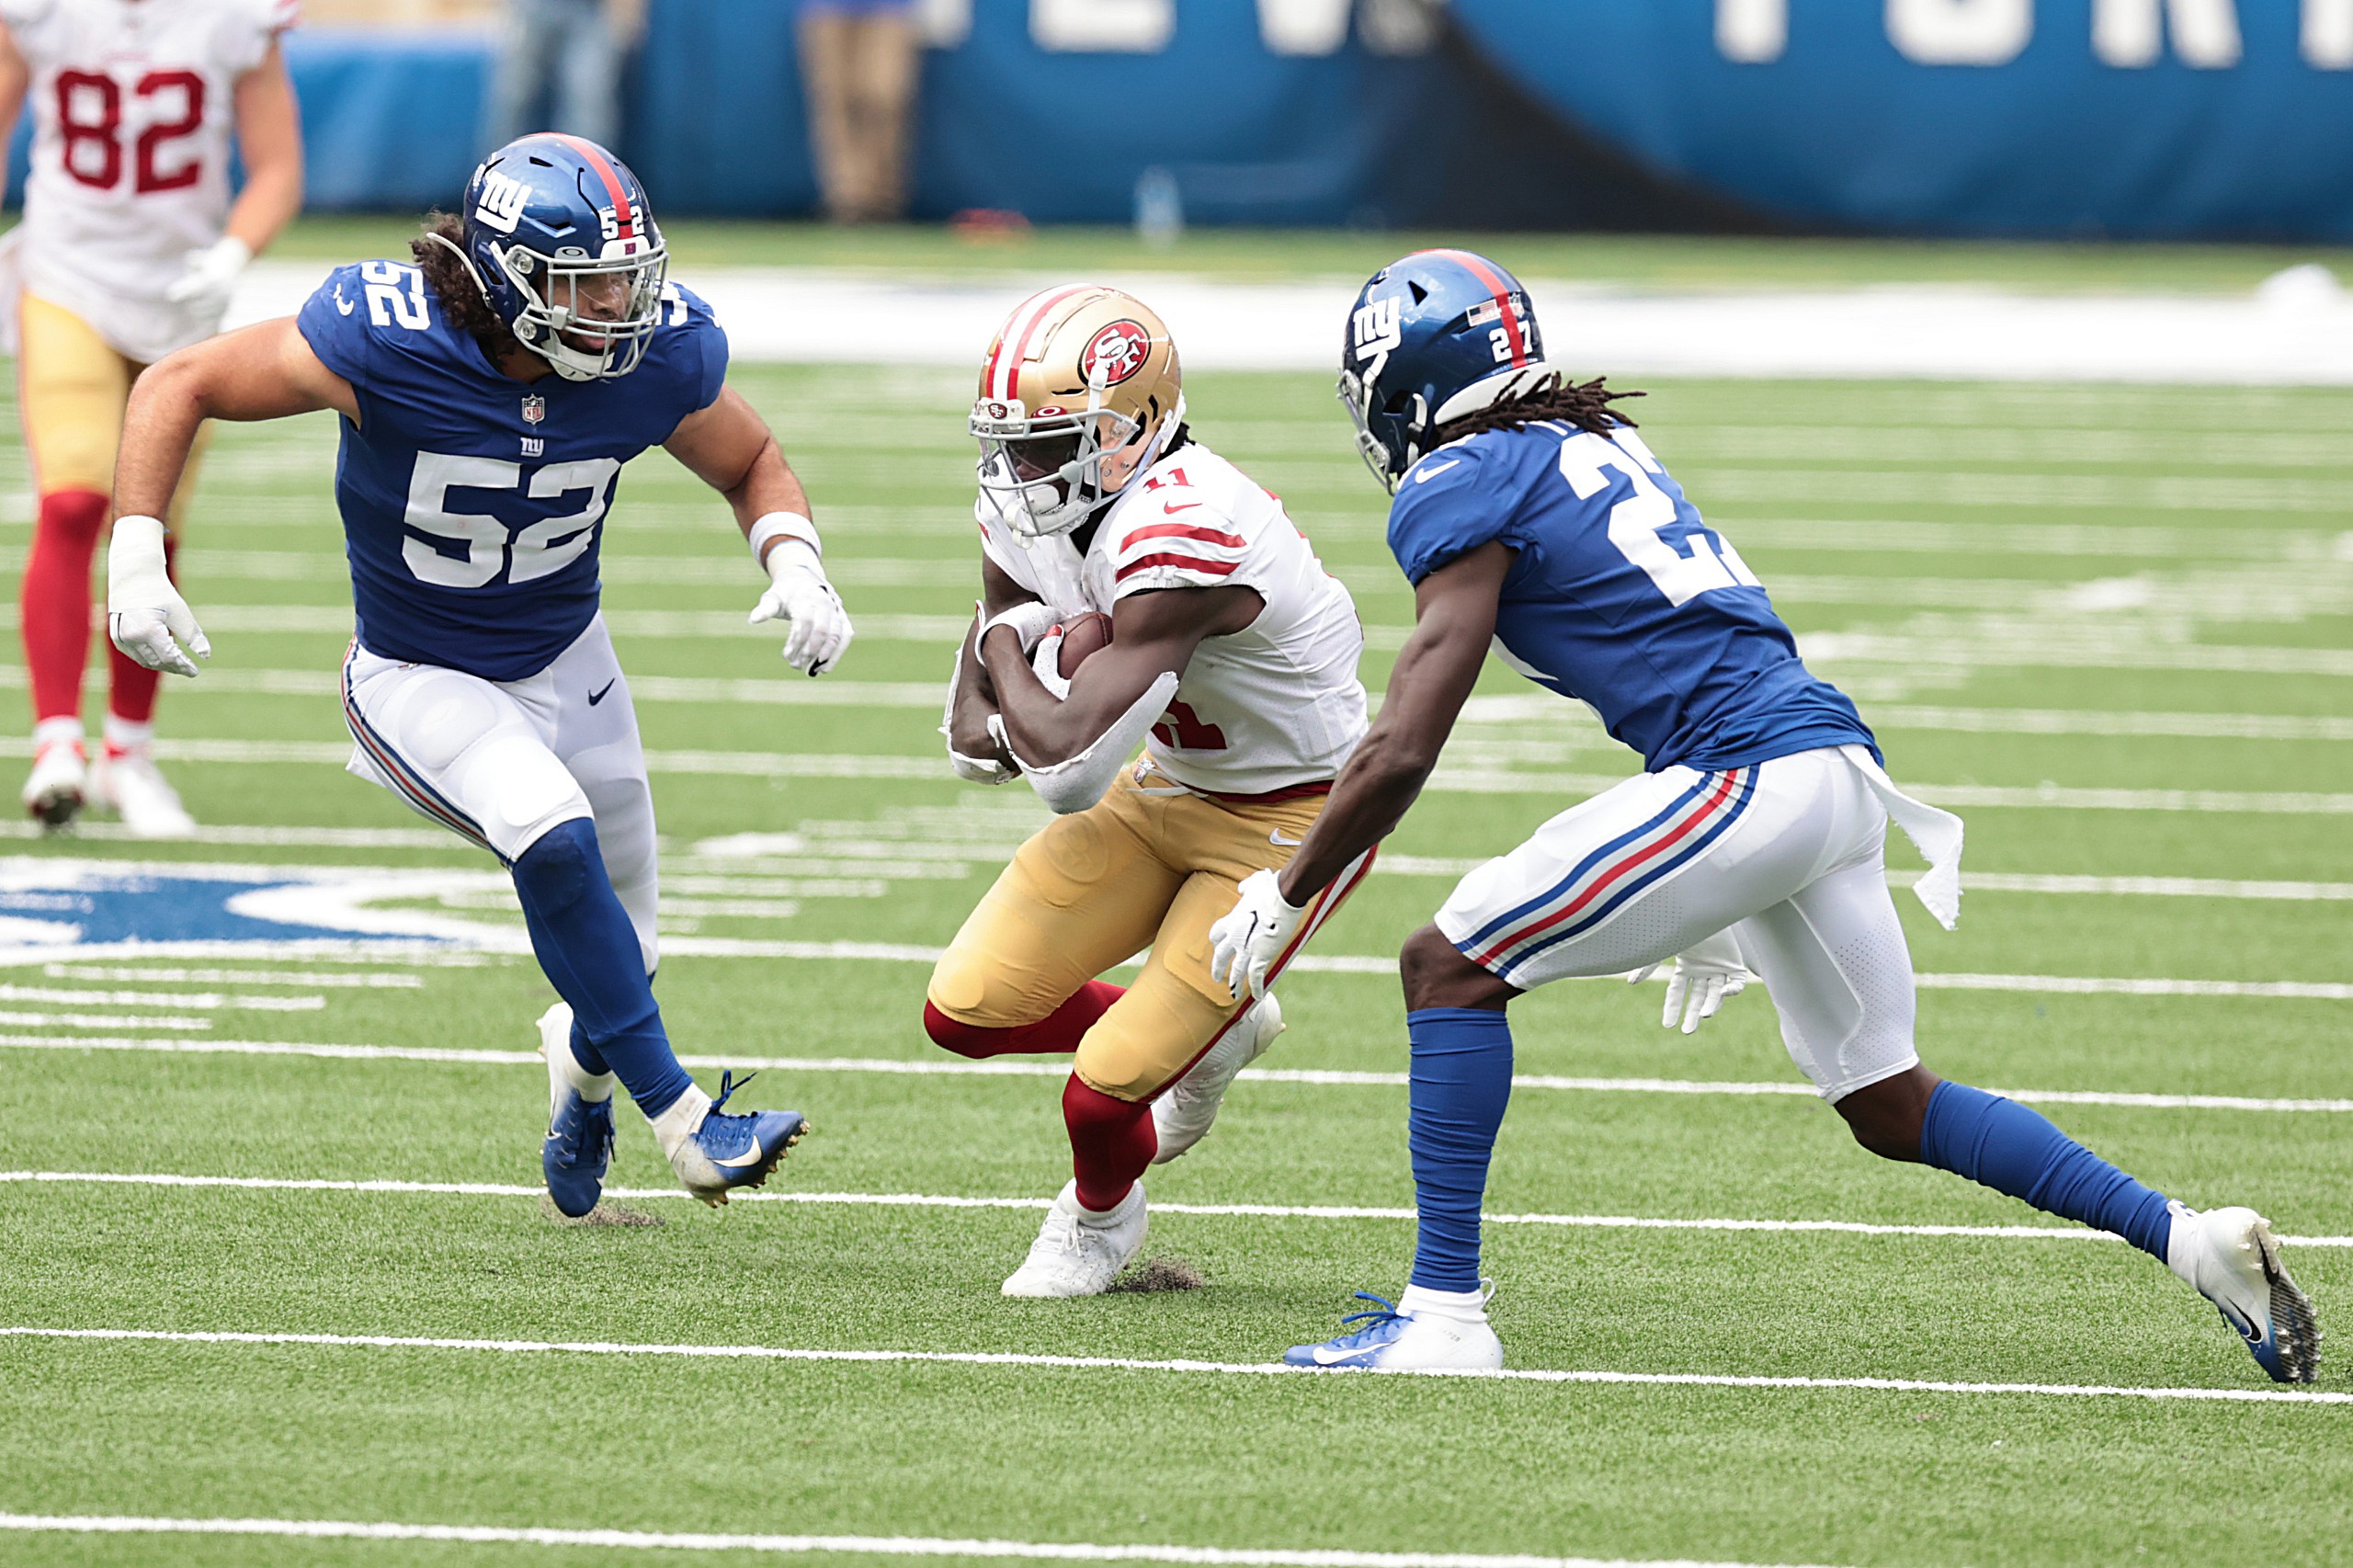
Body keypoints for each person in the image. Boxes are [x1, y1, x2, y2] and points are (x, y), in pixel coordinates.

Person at [1208, 248, 2321, 1382]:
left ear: (1409, 388)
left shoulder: (1465, 477)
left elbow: (1403, 741)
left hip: (1745, 776)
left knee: (1446, 964)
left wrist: (1285, 885)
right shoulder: (1589, 438)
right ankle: (2189, 1239)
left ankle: (1444, 1317)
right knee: (1888, 1098)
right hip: (1827, 769)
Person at [107, 134, 854, 1215]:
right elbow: (180, 379)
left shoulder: (653, 355)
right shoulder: (381, 338)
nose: (619, 304)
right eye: (589, 282)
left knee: (625, 945)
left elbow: (750, 459)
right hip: (419, 671)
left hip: (567, 652)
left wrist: (795, 561)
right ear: (508, 277)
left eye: (626, 277)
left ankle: (583, 1080)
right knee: (549, 833)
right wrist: (137, 554)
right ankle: (686, 1123)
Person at [932, 284, 1374, 1298]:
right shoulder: (1044, 504)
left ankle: (1098, 1220)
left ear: (1136, 425)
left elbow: (1057, 765)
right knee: (963, 1011)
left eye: (1052, 441)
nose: (1022, 469)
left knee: (1102, 1094)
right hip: (1167, 783)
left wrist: (1011, 650)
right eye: (1013, 441)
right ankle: (1218, 1026)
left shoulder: (1185, 526)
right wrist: (1016, 664)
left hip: (1292, 814)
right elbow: (971, 732)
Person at [0, 0, 303, 835]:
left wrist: (234, 251)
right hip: (66, 276)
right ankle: (57, 740)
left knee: (152, 526)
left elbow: (277, 166)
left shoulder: (232, 16)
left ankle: (127, 756)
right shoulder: (41, 11)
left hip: (182, 296)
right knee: (71, 501)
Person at [796, 0, 920, 223]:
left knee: (882, 95)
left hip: (889, 8)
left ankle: (884, 196)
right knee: (835, 100)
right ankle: (848, 198)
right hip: (826, 8)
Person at [488, 0, 641, 153]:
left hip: (590, 13)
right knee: (514, 94)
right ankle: (496, 168)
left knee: (587, 95)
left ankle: (586, 169)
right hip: (532, 8)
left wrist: (624, 15)